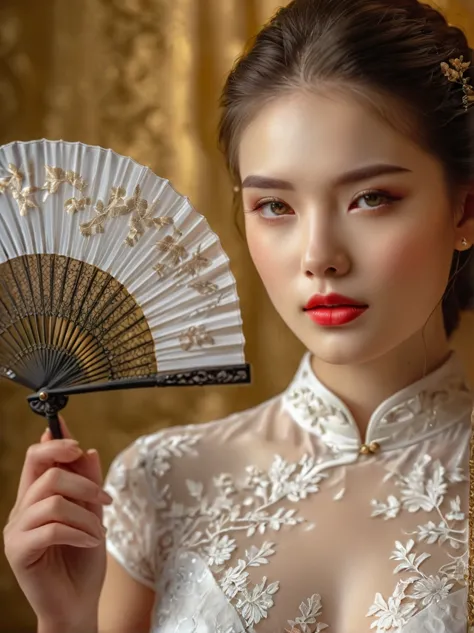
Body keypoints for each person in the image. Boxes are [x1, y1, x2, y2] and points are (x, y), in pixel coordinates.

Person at [4, 0, 474, 631]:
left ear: (464, 211)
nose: (319, 257)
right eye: (276, 206)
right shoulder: (160, 480)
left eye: (371, 198)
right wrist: (62, 617)